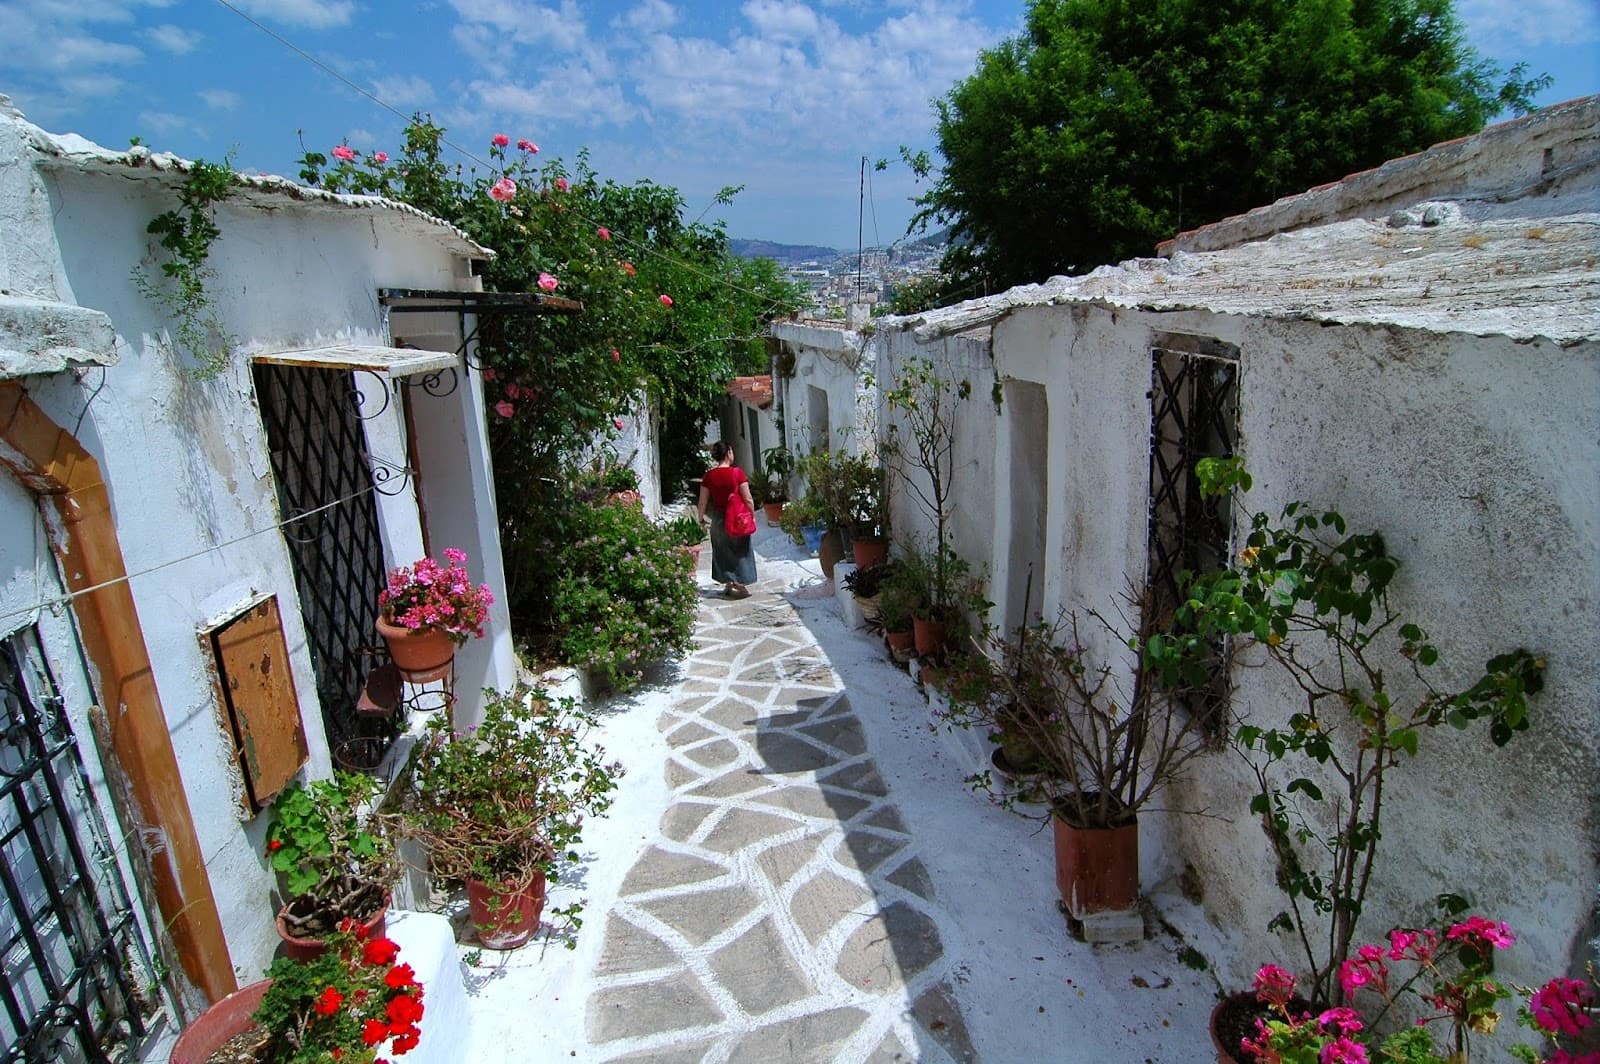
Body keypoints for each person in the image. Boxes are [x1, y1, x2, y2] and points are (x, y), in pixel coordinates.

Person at [697, 441, 757, 598]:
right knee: (740, 549)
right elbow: (748, 498)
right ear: (728, 453)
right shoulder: (737, 473)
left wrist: (700, 517)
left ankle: (729, 582)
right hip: (736, 517)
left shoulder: (709, 476)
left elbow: (703, 501)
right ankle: (739, 583)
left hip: (718, 518)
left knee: (722, 550)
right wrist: (752, 514)